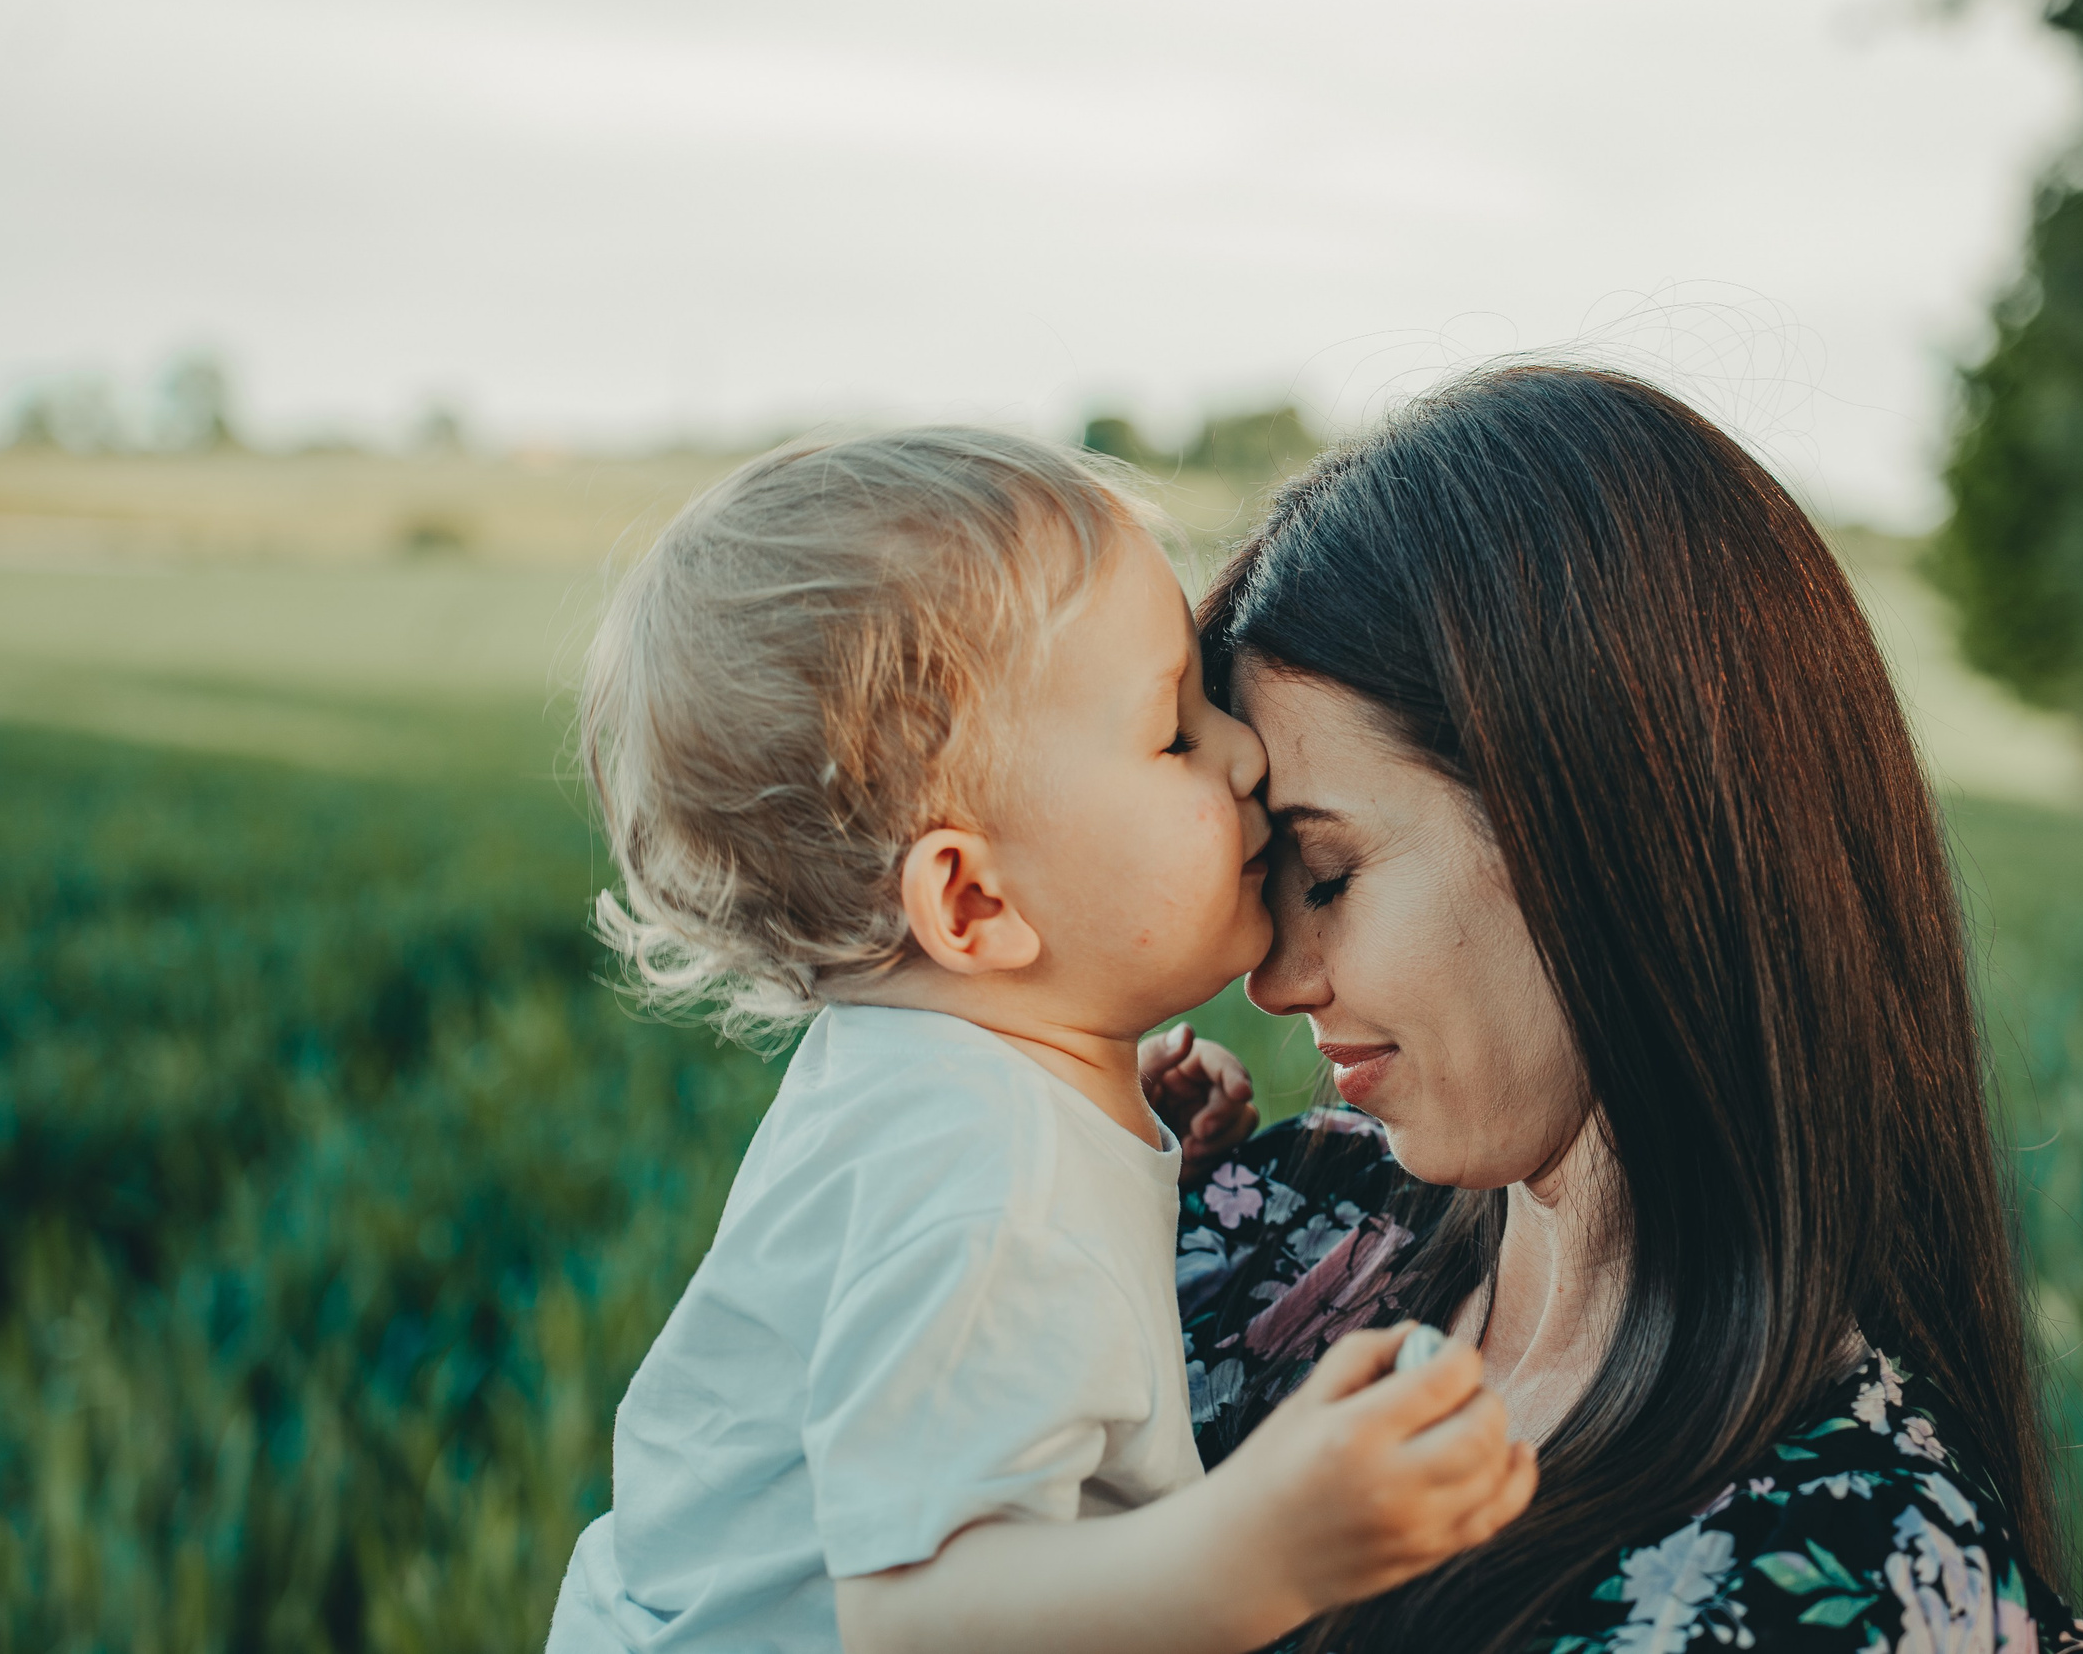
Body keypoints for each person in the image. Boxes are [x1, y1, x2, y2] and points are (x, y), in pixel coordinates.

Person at [546, 428, 1535, 1654]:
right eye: (1175, 731)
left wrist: (1134, 1138)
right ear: (969, 904)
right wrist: (1266, 1546)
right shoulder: (982, 1173)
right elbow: (923, 1619)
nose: (1243, 759)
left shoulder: (956, 1103)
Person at [1181, 366, 2083, 1653]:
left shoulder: (1857, 1587)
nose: (1273, 979)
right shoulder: (1255, 1242)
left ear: (1595, 822)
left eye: (1326, 876)